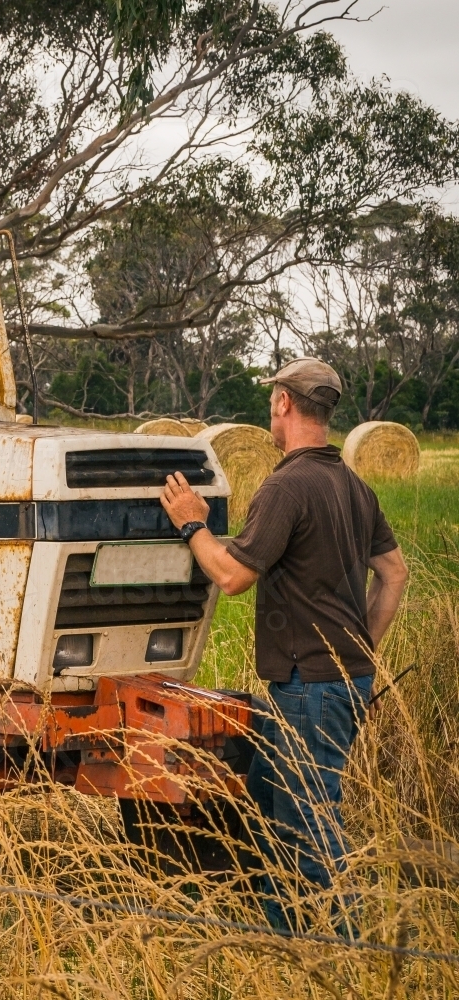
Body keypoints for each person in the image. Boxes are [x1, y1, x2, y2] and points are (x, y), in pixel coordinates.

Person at [160, 357, 408, 928]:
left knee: (309, 827)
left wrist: (192, 522)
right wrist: (358, 651)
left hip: (308, 687)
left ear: (283, 404)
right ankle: (284, 939)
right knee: (273, 807)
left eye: (272, 398)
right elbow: (394, 574)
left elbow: (232, 576)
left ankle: (349, 952)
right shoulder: (354, 486)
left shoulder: (286, 485)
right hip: (335, 681)